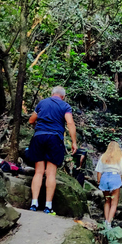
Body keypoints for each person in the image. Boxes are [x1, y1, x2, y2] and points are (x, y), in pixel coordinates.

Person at [28, 86, 77, 214]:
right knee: (50, 174)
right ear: (63, 96)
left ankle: (34, 203)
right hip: (54, 138)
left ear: (52, 94)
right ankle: (48, 206)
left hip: (39, 137)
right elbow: (70, 123)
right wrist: (74, 142)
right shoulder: (65, 106)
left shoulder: (42, 103)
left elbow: (31, 120)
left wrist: (37, 127)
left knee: (38, 172)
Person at [95, 141, 122, 228]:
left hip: (104, 178)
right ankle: (109, 222)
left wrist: (99, 181)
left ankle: (106, 220)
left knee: (107, 201)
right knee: (114, 203)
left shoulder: (103, 157)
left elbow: (98, 171)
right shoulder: (119, 157)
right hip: (115, 178)